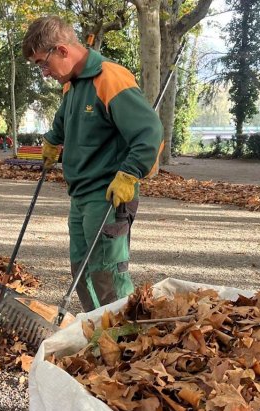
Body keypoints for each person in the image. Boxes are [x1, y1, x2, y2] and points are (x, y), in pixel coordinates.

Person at [22, 16, 163, 312]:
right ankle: (100, 333)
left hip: (109, 193)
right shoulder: (71, 85)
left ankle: (127, 342)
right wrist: (52, 139)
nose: (44, 73)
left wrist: (130, 174)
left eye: (42, 63)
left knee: (107, 274)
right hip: (81, 193)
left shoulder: (109, 77)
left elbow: (149, 131)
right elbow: (64, 118)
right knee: (82, 272)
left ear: (61, 50)